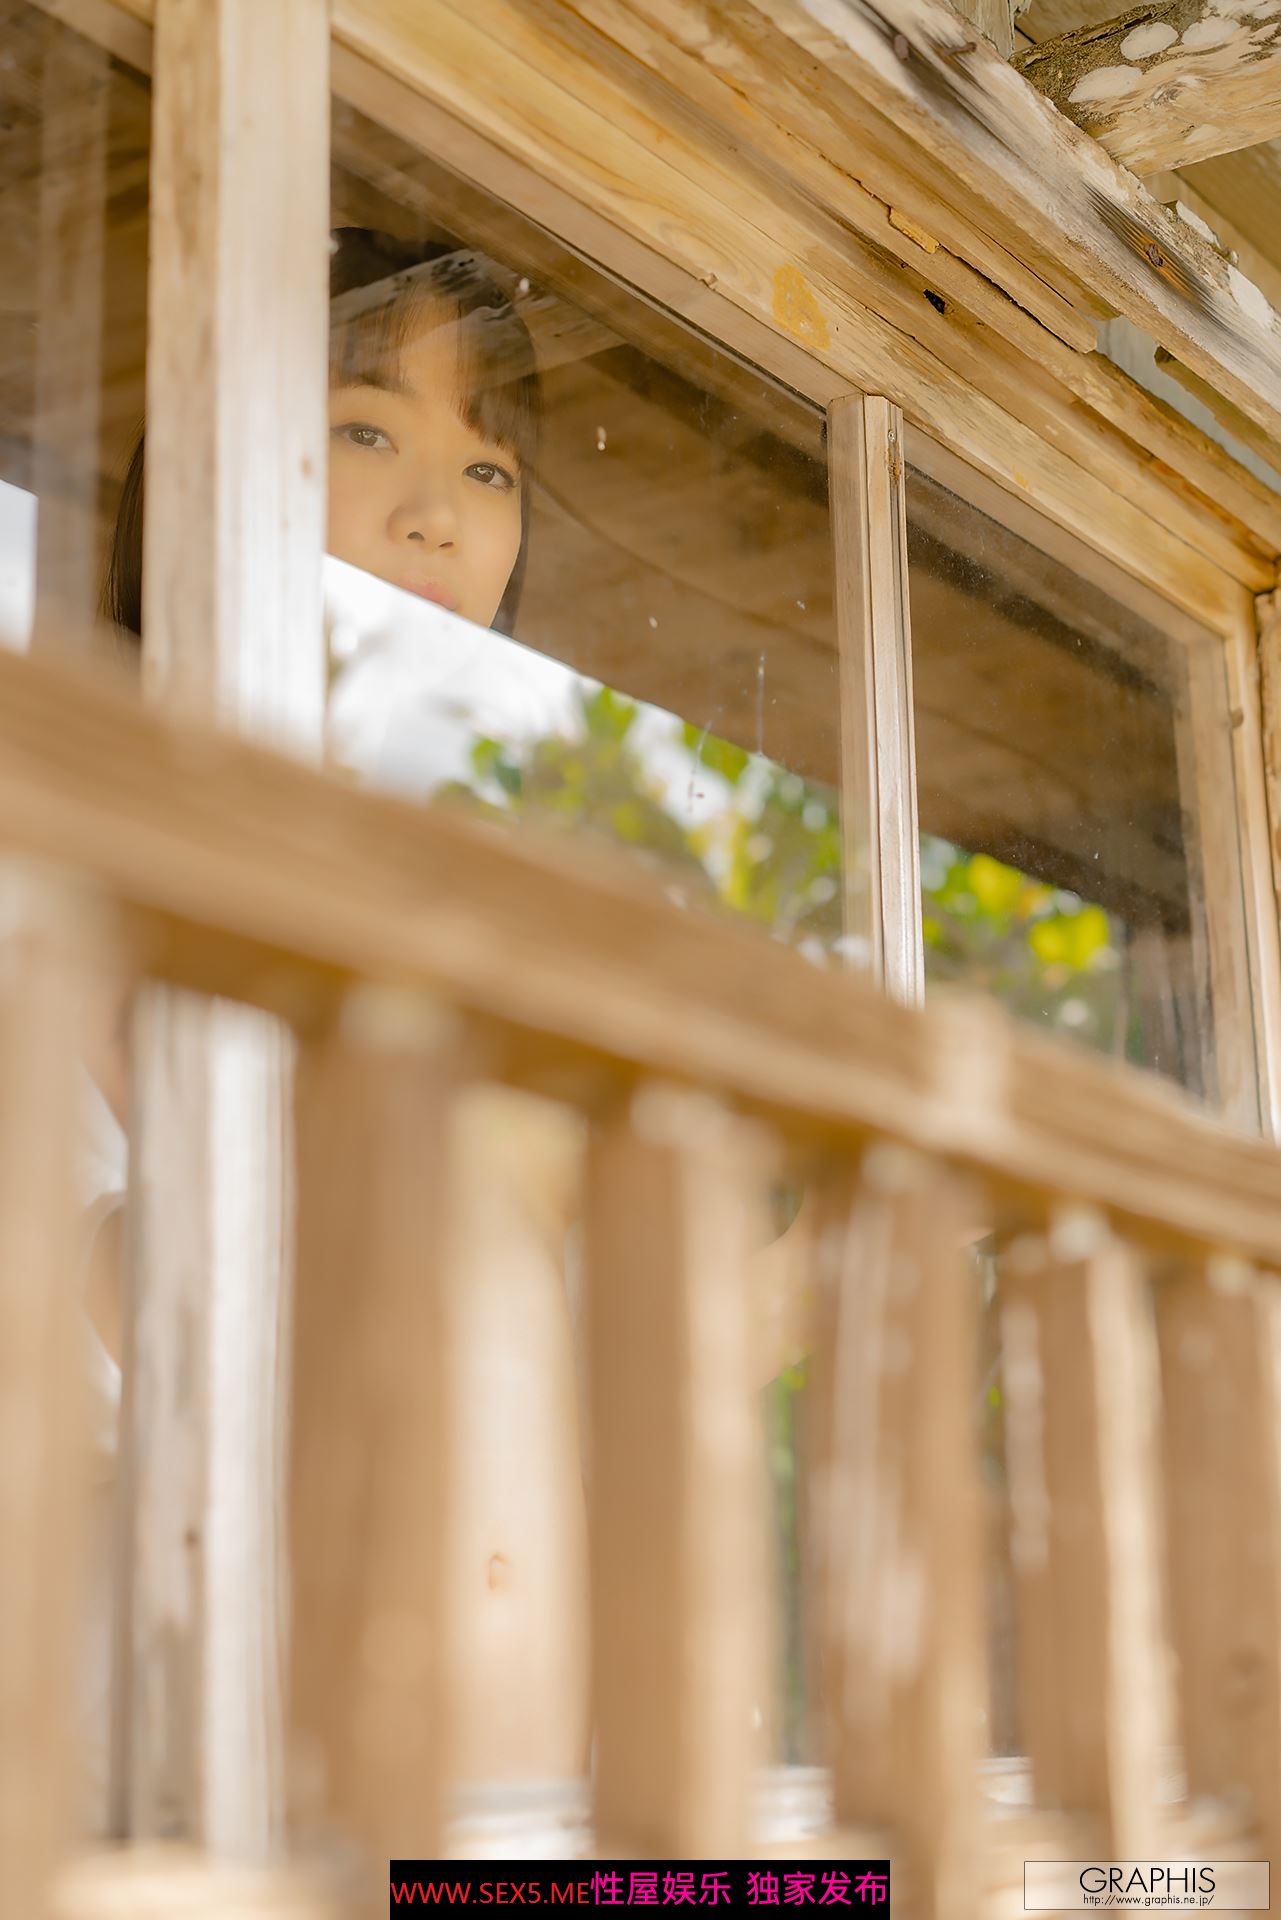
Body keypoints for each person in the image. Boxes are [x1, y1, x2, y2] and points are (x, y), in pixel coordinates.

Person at [89, 230, 593, 1819]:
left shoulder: (500, 932)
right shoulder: (86, 851)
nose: (440, 511)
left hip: (528, 1816)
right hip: (197, 1805)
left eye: (490, 468)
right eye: (365, 431)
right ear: (212, 462)